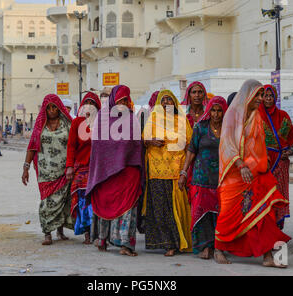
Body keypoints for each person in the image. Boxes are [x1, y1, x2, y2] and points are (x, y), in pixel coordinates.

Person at [215, 79, 291, 268]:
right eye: (257, 94)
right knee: (228, 214)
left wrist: (259, 166)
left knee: (264, 213)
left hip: (256, 173)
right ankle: (218, 248)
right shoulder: (232, 114)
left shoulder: (257, 116)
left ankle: (267, 256)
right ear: (247, 94)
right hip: (234, 174)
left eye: (261, 94)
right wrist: (241, 165)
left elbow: (259, 145)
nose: (260, 99)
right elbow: (227, 143)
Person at [86, 85, 144, 257]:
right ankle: (102, 238)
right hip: (106, 173)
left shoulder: (132, 118)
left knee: (129, 208)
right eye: (120, 100)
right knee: (105, 204)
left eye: (126, 100)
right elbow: (98, 145)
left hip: (128, 172)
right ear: (113, 101)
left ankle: (126, 244)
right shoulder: (102, 118)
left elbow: (135, 144)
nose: (123, 104)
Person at [142, 90, 193, 257]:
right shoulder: (153, 119)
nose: (165, 103)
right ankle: (167, 244)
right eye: (162, 100)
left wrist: (185, 170)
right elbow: (143, 139)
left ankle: (179, 241)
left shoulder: (181, 120)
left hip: (175, 170)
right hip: (156, 171)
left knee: (175, 208)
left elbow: (190, 144)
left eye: (169, 100)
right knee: (159, 209)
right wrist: (150, 141)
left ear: (175, 103)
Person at [179, 96, 228, 261]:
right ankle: (204, 247)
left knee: (220, 214)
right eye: (213, 110)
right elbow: (191, 151)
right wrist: (184, 173)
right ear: (209, 111)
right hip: (201, 177)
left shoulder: (228, 129)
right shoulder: (200, 127)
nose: (216, 114)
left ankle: (218, 246)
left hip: (222, 178)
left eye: (219, 110)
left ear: (224, 112)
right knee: (201, 213)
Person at [22, 94, 74, 245]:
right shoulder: (40, 126)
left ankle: (60, 230)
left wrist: (73, 166)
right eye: (48, 108)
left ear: (59, 108)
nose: (51, 111)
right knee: (47, 202)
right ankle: (47, 233)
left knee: (64, 201)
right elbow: (32, 147)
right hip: (45, 172)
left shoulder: (68, 125)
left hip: (65, 171)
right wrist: (25, 168)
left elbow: (74, 145)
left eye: (54, 107)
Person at [259, 85, 293, 229]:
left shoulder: (283, 115)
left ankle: (278, 227)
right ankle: (265, 229)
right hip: (263, 163)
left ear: (275, 97)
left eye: (271, 96)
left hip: (281, 164)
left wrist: (291, 150)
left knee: (279, 194)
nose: (268, 99)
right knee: (264, 196)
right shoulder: (256, 116)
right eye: (265, 95)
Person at [66, 92, 101, 244]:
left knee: (97, 200)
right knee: (84, 201)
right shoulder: (77, 123)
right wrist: (69, 167)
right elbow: (71, 146)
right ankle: (87, 232)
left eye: (92, 103)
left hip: (98, 167)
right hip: (82, 167)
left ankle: (98, 232)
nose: (89, 106)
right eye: (86, 103)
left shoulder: (102, 123)